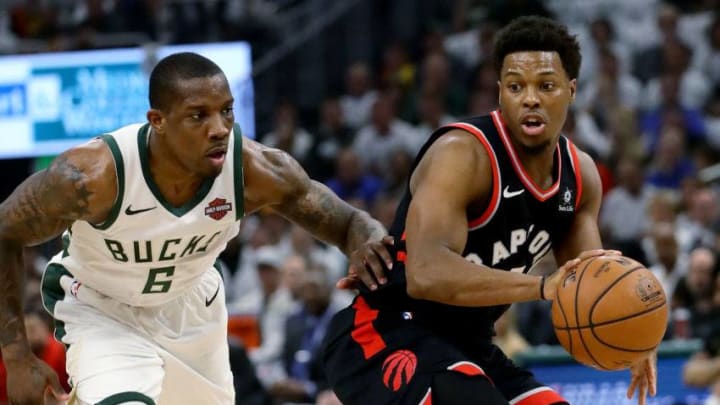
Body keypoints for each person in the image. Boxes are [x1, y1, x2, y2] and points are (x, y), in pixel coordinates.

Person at [0, 52, 393, 405]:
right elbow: (5, 231)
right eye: (198, 115)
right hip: (104, 308)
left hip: (192, 310)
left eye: (226, 111)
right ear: (158, 122)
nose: (219, 128)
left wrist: (367, 245)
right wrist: (16, 357)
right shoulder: (94, 176)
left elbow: (352, 222)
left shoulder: (252, 171)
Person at [322, 16, 656, 405]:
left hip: (472, 346)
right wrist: (544, 287)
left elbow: (589, 283)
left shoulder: (580, 177)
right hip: (386, 332)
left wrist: (634, 333)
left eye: (546, 86)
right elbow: (425, 273)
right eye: (516, 87)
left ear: (571, 90)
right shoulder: (463, 155)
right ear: (501, 93)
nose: (530, 98)